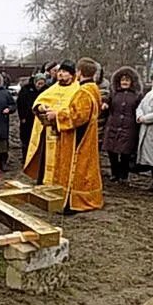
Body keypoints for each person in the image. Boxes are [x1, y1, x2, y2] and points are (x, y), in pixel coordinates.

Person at [24, 58, 103, 212]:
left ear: (78, 73)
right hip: (75, 134)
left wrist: (56, 115)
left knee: (76, 169)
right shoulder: (93, 89)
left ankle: (72, 201)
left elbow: (77, 116)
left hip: (77, 137)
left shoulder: (83, 91)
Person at [102, 67, 143, 183]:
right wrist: (105, 105)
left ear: (132, 82)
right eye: (122, 80)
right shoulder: (114, 94)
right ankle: (114, 173)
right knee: (112, 152)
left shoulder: (137, 96)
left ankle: (123, 174)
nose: (124, 82)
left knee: (125, 152)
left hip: (129, 127)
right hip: (113, 125)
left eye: (127, 80)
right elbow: (107, 106)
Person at [17, 72, 47, 162]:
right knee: (26, 139)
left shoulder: (47, 90)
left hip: (41, 119)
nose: (40, 85)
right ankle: (25, 157)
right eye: (39, 83)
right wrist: (22, 117)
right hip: (27, 119)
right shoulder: (26, 90)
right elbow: (20, 104)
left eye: (42, 83)